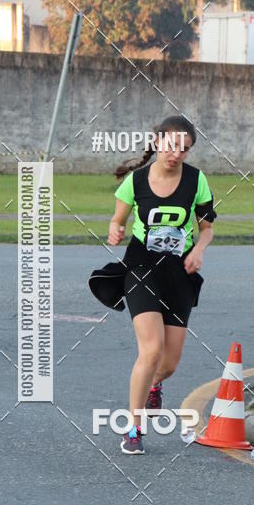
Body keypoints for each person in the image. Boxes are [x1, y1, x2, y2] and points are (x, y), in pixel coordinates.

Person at [91, 114, 216, 455]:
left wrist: (200, 250)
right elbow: (117, 222)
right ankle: (133, 429)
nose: (176, 154)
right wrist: (114, 230)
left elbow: (206, 227)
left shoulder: (196, 180)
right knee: (150, 350)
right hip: (142, 267)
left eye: (185, 149)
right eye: (172, 145)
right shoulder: (135, 182)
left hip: (180, 272)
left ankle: (154, 385)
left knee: (169, 363)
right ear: (158, 140)